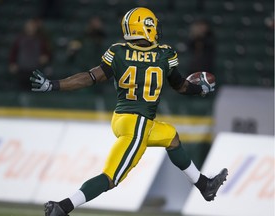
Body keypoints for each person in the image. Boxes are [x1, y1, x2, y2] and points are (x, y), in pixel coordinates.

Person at [30, 8, 228, 216]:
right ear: (146, 28)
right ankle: (62, 207)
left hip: (121, 118)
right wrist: (201, 88)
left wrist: (53, 84)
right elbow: (181, 86)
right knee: (110, 177)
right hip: (139, 124)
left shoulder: (118, 51)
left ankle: (204, 185)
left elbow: (89, 77)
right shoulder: (164, 54)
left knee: (171, 136)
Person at [9, 18, 52, 90]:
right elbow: (13, 52)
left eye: (32, 27)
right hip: (22, 69)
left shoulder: (41, 40)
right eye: (28, 26)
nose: (30, 29)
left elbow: (48, 53)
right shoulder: (19, 39)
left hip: (36, 69)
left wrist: (45, 57)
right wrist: (12, 63)